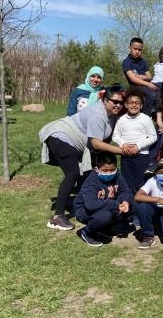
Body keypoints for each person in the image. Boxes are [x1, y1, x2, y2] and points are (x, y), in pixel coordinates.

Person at [39, 87, 125, 231]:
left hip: (74, 143)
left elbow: (104, 139)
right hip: (60, 136)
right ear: (105, 100)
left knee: (85, 172)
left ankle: (81, 204)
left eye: (120, 103)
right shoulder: (98, 113)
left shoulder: (112, 114)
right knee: (72, 173)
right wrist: (122, 151)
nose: (118, 105)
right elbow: (96, 143)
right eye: (114, 102)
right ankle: (57, 218)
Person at [73, 152, 132, 246]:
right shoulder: (91, 181)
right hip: (83, 210)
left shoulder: (117, 175)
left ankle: (104, 229)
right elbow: (90, 205)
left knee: (132, 205)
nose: (109, 173)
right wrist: (116, 205)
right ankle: (86, 232)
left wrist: (125, 201)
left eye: (112, 170)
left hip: (104, 205)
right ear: (97, 169)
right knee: (104, 216)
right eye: (105, 170)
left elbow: (126, 191)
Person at [112, 88, 157, 195]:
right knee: (126, 182)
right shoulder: (121, 119)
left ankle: (140, 205)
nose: (134, 105)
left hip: (141, 156)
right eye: (131, 103)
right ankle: (127, 204)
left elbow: (153, 137)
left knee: (140, 183)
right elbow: (115, 136)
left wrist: (138, 146)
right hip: (126, 156)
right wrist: (123, 144)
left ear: (141, 106)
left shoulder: (146, 119)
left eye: (137, 103)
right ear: (126, 105)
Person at [122, 37, 159, 116]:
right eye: (135, 49)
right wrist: (148, 84)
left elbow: (149, 76)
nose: (137, 51)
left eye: (139, 50)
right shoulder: (126, 62)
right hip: (135, 86)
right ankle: (146, 116)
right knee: (151, 95)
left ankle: (158, 113)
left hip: (144, 84)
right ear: (130, 48)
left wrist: (142, 77)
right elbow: (132, 79)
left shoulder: (143, 61)